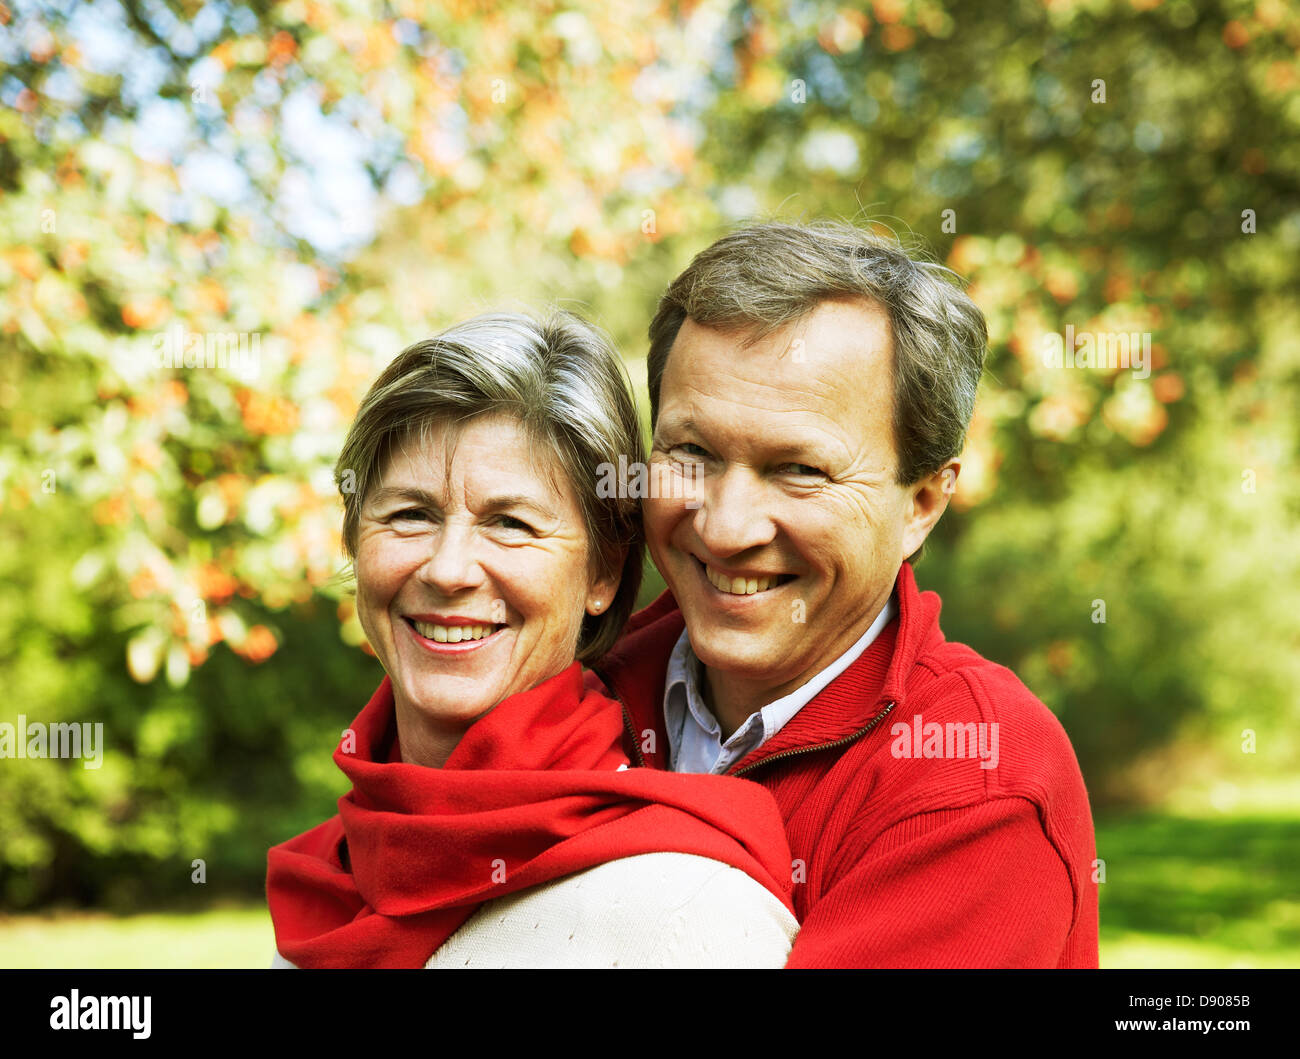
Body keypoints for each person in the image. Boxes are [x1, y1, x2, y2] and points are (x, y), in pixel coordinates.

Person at [591, 220, 1101, 968]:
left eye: (799, 468)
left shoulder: (978, 780)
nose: (726, 528)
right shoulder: (581, 686)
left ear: (922, 503)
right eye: (691, 451)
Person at [266, 311, 799, 968]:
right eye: (410, 514)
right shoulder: (334, 873)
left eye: (511, 523)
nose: (448, 568)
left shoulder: (688, 909)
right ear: (353, 538)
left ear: (603, 570)